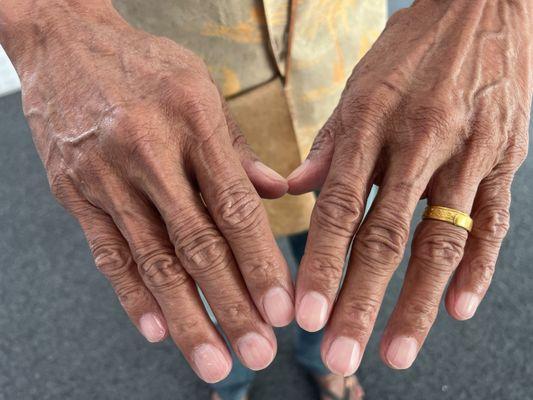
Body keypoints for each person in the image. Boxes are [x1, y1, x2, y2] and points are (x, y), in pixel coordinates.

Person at [0, 0, 531, 399]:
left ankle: (321, 358)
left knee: (343, 252)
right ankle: (232, 380)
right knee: (197, 256)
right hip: (166, 97)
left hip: (360, 67)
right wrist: (47, 23)